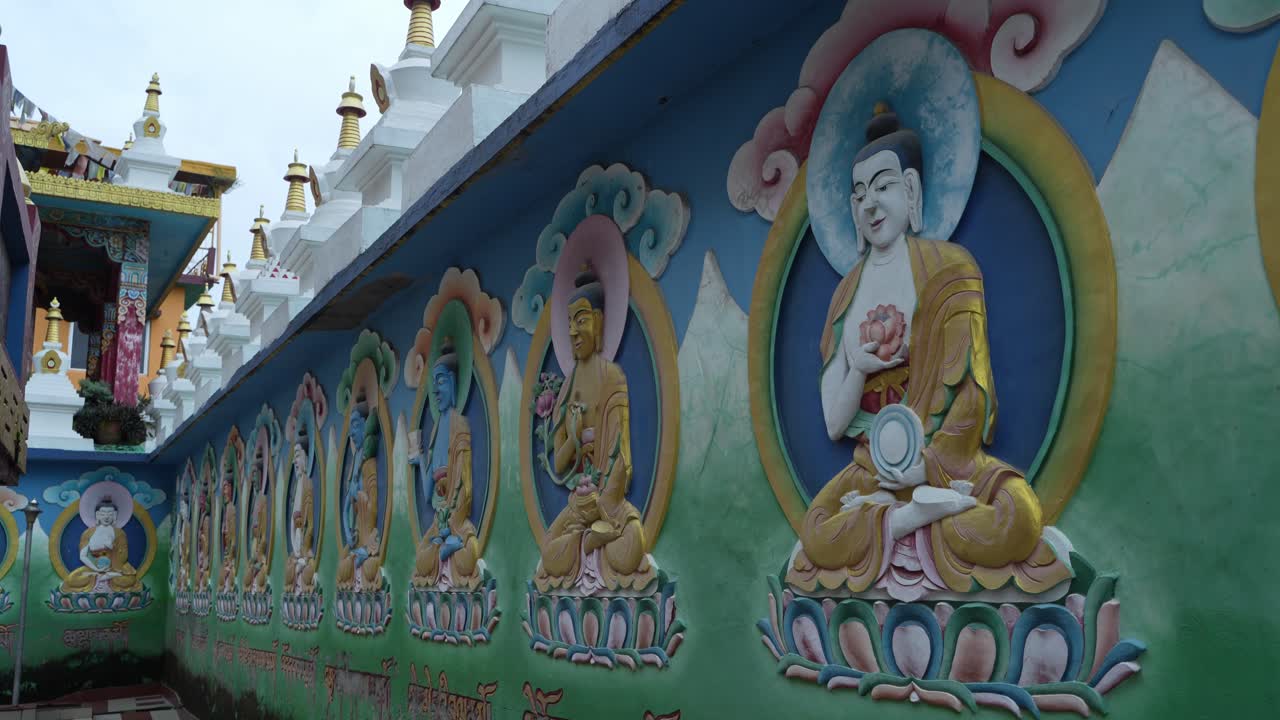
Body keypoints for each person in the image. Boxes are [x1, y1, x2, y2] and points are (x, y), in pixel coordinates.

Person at [790, 102, 1072, 601]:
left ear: (912, 190)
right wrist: (856, 367)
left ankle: (905, 516)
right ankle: (908, 519)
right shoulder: (845, 296)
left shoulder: (950, 271)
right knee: (814, 531)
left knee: (1019, 518)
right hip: (869, 467)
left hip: (946, 464)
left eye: (882, 185)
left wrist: (931, 467)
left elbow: (973, 396)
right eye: (858, 194)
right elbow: (835, 425)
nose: (869, 205)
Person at [534, 265, 654, 594]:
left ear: (599, 322)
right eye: (570, 322)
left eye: (581, 320)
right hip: (581, 501)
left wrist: (601, 503)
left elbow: (622, 461)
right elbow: (559, 464)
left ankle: (593, 543)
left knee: (633, 544)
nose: (573, 331)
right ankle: (592, 544)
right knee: (548, 550)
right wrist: (572, 438)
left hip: (608, 501)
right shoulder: (568, 387)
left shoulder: (612, 377)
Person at [61, 497, 142, 593]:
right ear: (97, 515)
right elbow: (82, 556)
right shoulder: (88, 533)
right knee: (71, 580)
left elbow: (124, 555)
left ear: (115, 516)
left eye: (110, 514)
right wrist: (96, 568)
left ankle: (107, 578)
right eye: (103, 514)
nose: (106, 517)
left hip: (115, 569)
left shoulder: (119, 533)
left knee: (129, 581)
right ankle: (101, 578)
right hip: (92, 568)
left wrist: (112, 549)